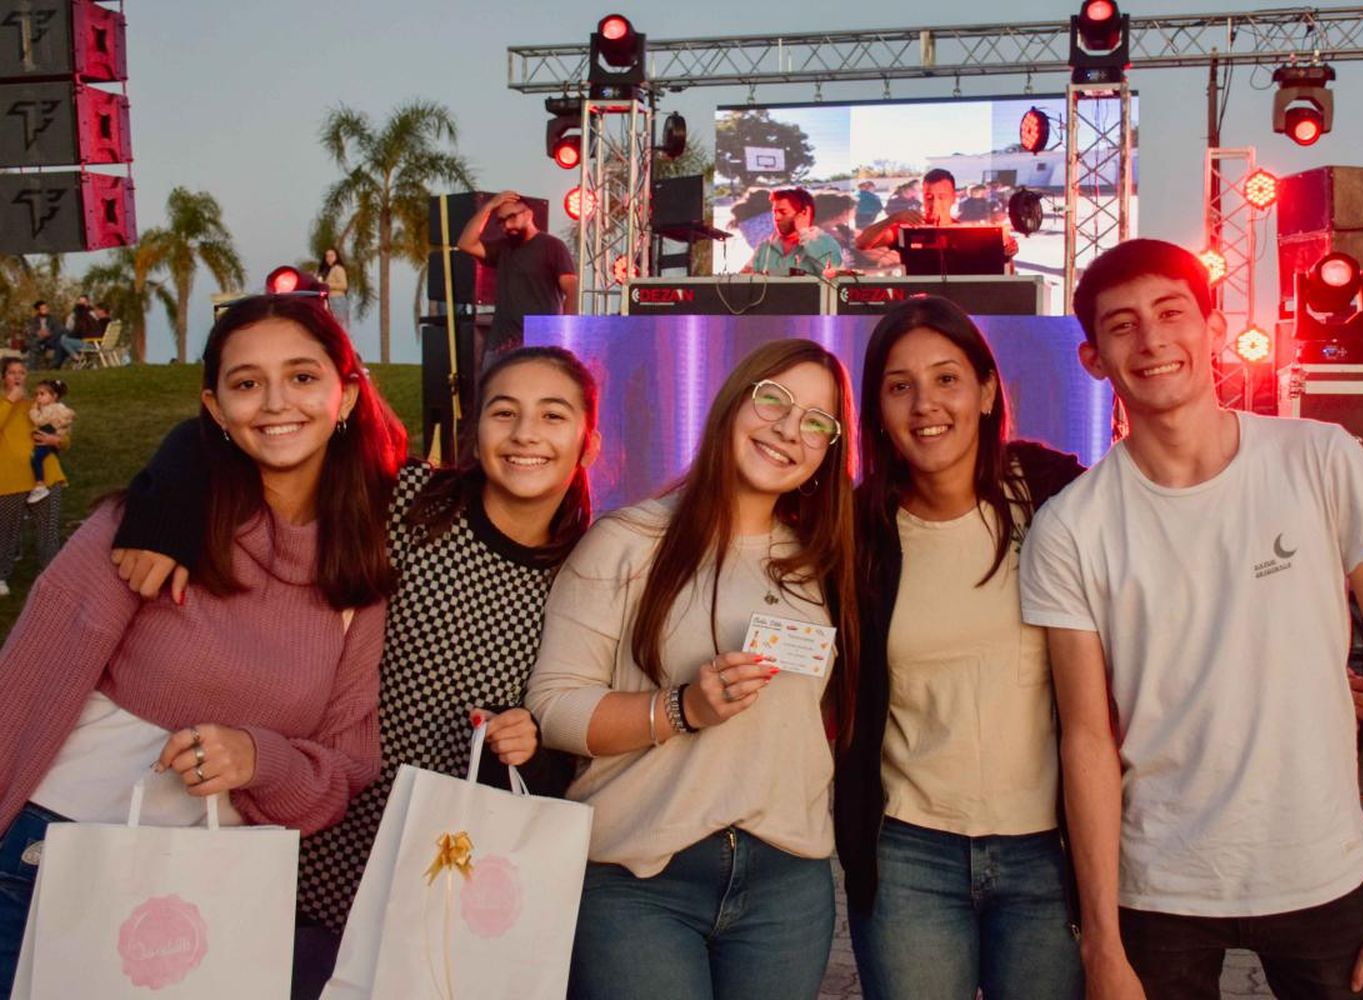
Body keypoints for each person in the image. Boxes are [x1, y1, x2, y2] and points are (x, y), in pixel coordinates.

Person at [1020, 238, 1363, 999]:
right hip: (1158, 887)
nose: (1153, 341)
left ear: (1214, 329)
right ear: (1094, 358)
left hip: (1322, 867)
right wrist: (1100, 942)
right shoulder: (1071, 526)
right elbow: (1087, 737)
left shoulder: (1319, 459)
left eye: (1171, 313)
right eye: (1122, 325)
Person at [107, 346, 602, 997]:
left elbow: (578, 713)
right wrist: (163, 498)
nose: (526, 434)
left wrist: (531, 741)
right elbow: (267, 446)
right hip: (314, 845)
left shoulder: (589, 569)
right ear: (473, 433)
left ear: (588, 444)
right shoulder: (406, 501)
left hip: (449, 877)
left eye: (553, 416)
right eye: (503, 412)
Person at [0, 294, 408, 993]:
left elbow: (342, 771)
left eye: (303, 377)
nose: (276, 402)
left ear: (345, 396)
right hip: (52, 859)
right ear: (216, 410)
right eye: (246, 383)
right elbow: (21, 690)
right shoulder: (149, 527)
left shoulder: (357, 573)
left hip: (214, 892)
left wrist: (258, 757)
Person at [526, 338, 861, 1000]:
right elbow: (554, 708)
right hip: (639, 879)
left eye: (817, 422)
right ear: (732, 404)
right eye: (775, 400)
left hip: (786, 885)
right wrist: (681, 709)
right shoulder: (628, 542)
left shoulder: (824, 563)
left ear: (828, 452)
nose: (790, 431)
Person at [834, 296, 1086, 1000]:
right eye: (899, 386)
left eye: (947, 378)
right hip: (908, 853)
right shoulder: (856, 535)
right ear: (877, 410)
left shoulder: (1056, 498)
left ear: (986, 391)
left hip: (1050, 854)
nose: (925, 405)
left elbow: (1168, 606)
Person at [456, 190, 577, 365]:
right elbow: (465, 243)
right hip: (500, 345)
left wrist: (563, 334)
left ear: (528, 214)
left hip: (537, 343)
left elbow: (571, 288)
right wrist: (489, 206)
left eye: (512, 217)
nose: (507, 225)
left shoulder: (552, 246)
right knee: (492, 390)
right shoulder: (503, 249)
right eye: (502, 221)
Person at [0, 358, 68, 597]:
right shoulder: (3, 403)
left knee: (48, 531)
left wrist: (57, 441)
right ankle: (1, 575)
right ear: (3, 378)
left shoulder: (37, 405)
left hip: (46, 475)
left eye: (21, 372)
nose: (17, 377)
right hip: (9, 479)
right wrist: (9, 401)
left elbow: (62, 432)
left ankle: (52, 578)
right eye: (11, 373)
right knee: (6, 531)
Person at [856, 169, 1018, 263]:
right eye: (928, 197)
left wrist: (1006, 251)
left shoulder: (967, 232)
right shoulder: (909, 228)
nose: (934, 203)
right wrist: (893, 218)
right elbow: (863, 243)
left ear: (953, 197)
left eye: (942, 197)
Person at [741, 187, 844, 276]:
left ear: (804, 212)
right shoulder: (765, 248)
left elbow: (834, 273)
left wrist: (804, 232)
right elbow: (743, 281)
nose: (776, 217)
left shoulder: (825, 242)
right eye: (774, 212)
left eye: (783, 212)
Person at [25, 378, 72, 504]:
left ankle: (40, 484)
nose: (38, 398)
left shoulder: (51, 409)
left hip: (49, 436)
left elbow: (39, 421)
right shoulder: (55, 407)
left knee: (36, 458)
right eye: (36, 394)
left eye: (42, 394)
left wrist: (33, 410)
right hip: (50, 436)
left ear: (54, 396)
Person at [24, 301, 81, 370]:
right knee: (34, 343)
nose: (46, 310)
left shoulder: (52, 318)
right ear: (38, 310)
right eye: (43, 309)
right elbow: (29, 330)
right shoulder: (33, 320)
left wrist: (50, 333)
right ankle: (32, 368)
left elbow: (60, 328)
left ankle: (54, 365)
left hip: (50, 339)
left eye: (46, 308)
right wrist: (38, 332)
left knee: (60, 341)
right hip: (38, 339)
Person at [317, 247, 351, 326]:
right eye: (327, 256)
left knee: (340, 326)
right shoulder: (328, 270)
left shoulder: (338, 268)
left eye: (331, 256)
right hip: (330, 300)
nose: (329, 258)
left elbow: (344, 285)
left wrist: (327, 285)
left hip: (337, 300)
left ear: (336, 257)